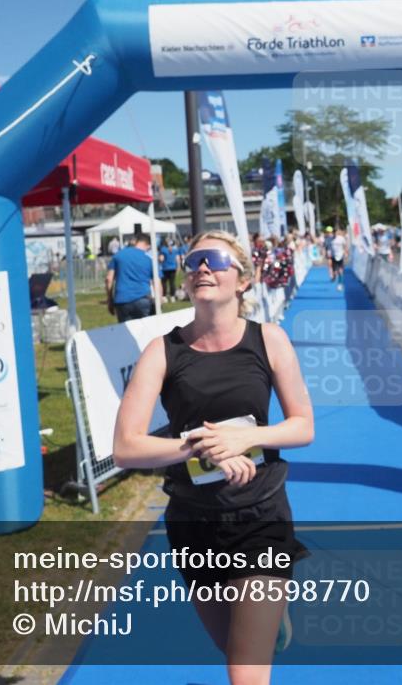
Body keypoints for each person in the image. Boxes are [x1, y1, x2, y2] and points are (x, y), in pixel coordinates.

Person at [113, 230, 313, 683]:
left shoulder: (269, 340)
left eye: (216, 259)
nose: (203, 267)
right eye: (195, 260)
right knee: (230, 643)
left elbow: (303, 425)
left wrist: (247, 439)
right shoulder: (162, 352)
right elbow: (126, 446)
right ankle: (271, 626)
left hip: (260, 517)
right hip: (194, 522)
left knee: (243, 671)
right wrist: (200, 447)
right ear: (185, 280)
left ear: (242, 280)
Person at [105, 233, 158, 321]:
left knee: (126, 332)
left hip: (122, 300)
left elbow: (108, 279)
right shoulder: (149, 258)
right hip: (143, 298)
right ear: (148, 246)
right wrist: (158, 301)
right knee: (147, 332)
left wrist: (110, 299)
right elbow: (156, 282)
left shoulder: (118, 255)